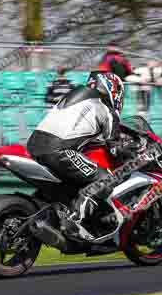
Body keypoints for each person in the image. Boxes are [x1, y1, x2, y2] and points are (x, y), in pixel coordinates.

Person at [26, 71, 136, 241]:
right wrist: (131, 155)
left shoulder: (73, 96)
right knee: (106, 180)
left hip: (34, 145)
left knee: (70, 183)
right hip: (59, 150)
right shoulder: (105, 109)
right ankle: (75, 222)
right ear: (113, 90)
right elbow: (115, 149)